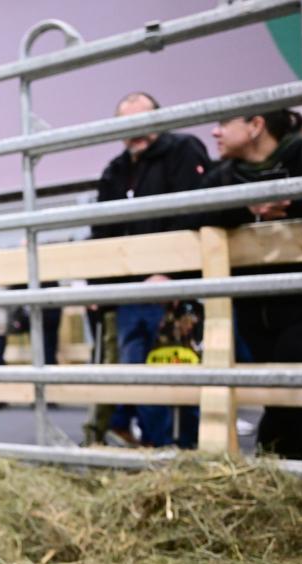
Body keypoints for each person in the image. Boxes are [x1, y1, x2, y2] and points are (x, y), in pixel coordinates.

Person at [197, 108, 302, 460]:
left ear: (256, 125)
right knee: (284, 398)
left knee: (287, 392)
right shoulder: (225, 175)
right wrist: (248, 209)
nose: (215, 133)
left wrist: (294, 201)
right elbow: (191, 215)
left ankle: (274, 459)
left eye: (224, 124)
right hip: (254, 303)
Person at [90, 92, 210, 447]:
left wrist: (172, 272)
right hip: (130, 292)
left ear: (159, 119)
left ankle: (186, 447)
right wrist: (98, 284)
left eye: (143, 121)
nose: (136, 131)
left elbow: (195, 210)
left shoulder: (184, 150)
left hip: (175, 288)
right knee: (137, 371)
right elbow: (102, 230)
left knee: (178, 364)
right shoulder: (114, 170)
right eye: (127, 124)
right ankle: (154, 446)